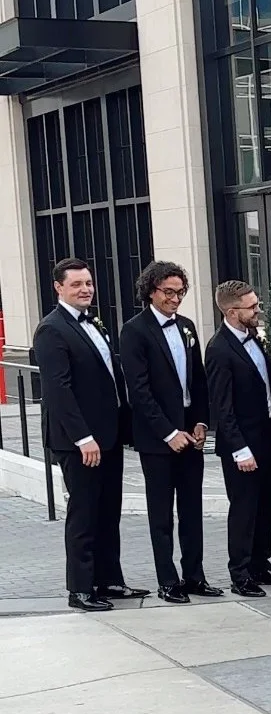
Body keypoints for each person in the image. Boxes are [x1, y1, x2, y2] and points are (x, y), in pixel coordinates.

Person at [32, 257, 143, 611]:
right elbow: (58, 390)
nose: (85, 290)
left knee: (108, 510)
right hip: (80, 442)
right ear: (58, 287)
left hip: (107, 436)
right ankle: (80, 589)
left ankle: (109, 580)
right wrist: (83, 438)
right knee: (83, 514)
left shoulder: (95, 323)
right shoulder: (51, 329)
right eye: (77, 284)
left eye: (89, 283)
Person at [119, 261, 220, 604]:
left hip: (191, 437)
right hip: (157, 441)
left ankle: (195, 576)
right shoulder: (135, 331)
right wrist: (168, 432)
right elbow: (139, 391)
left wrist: (201, 423)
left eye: (180, 292)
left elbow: (199, 382)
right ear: (151, 291)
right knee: (162, 514)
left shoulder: (187, 327)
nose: (175, 298)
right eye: (169, 292)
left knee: (192, 510)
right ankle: (167, 580)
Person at [205, 280, 271, 595]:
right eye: (252, 307)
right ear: (233, 311)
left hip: (265, 436)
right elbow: (222, 407)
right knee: (244, 509)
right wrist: (239, 449)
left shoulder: (254, 338)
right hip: (241, 445)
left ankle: (260, 564)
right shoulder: (219, 348)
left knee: (264, 505)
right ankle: (240, 574)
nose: (258, 310)